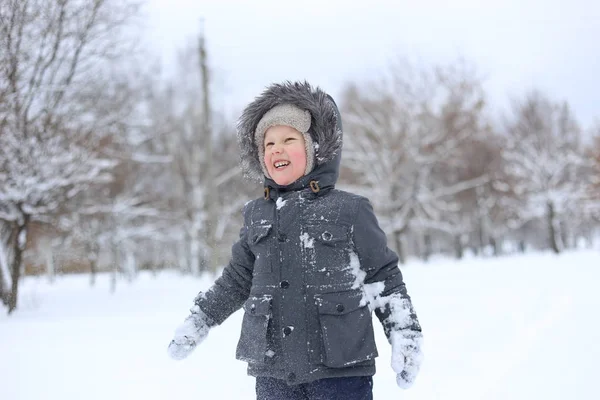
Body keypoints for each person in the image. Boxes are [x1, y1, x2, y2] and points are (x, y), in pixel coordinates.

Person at [167, 81, 423, 400]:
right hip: (273, 371)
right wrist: (201, 318)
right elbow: (236, 279)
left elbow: (383, 279)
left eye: (289, 139)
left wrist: (405, 333)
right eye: (268, 144)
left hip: (340, 371)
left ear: (316, 148)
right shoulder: (256, 215)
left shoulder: (350, 210)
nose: (277, 149)